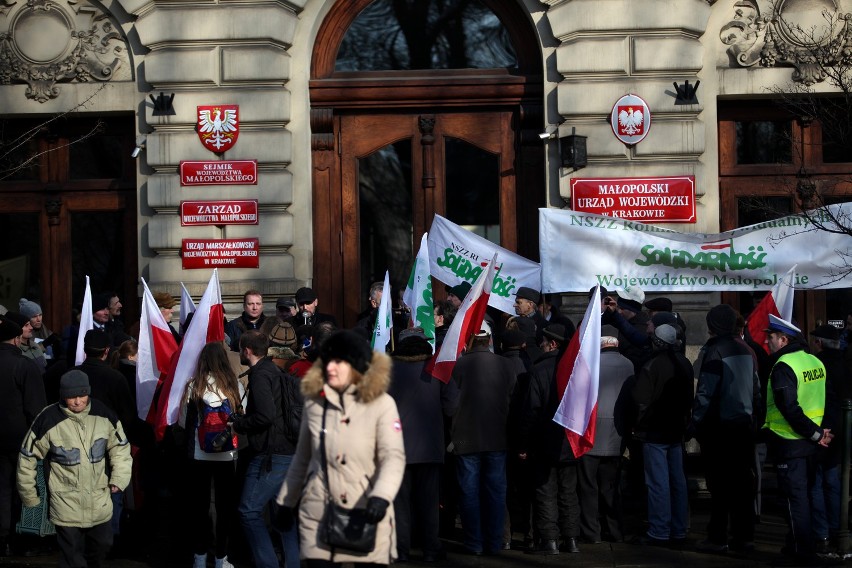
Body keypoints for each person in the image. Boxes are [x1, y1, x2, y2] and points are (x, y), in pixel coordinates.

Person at [276, 329, 405, 567]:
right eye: (327, 361)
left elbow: (393, 458)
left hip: (366, 513)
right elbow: (302, 458)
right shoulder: (315, 403)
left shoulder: (383, 404)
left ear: (356, 366)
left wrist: (381, 497)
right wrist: (286, 502)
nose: (330, 368)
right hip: (318, 515)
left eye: (338, 362)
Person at [17, 370, 132, 568]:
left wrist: (119, 478)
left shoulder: (103, 414)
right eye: (72, 397)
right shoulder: (48, 418)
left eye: (82, 395)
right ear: (63, 395)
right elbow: (27, 456)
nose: (77, 402)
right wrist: (29, 495)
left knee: (103, 546)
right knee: (72, 558)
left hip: (99, 501)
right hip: (65, 503)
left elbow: (120, 447)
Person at [691, 304, 760, 553]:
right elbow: (756, 389)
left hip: (719, 428)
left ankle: (718, 537)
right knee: (743, 485)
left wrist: (695, 423)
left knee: (719, 487)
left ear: (713, 326)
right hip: (743, 425)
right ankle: (744, 536)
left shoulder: (715, 350)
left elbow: (706, 392)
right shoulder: (746, 349)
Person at [762, 314, 832, 561]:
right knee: (806, 496)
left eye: (770, 337)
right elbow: (821, 400)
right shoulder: (814, 361)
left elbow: (789, 407)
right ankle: (797, 545)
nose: (766, 342)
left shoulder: (783, 366)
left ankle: (802, 552)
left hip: (790, 440)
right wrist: (819, 433)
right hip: (811, 443)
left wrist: (814, 433)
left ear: (783, 339)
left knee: (794, 500)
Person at [230, 330, 301, 568]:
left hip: (271, 455)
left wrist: (239, 423)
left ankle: (268, 564)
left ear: (247, 351)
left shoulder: (261, 375)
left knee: (248, 511)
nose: (240, 352)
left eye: (240, 348)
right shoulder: (275, 370)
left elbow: (266, 415)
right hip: (287, 452)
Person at [388, 327, 458, 562]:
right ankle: (430, 549)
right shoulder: (436, 368)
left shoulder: (387, 369)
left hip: (396, 448)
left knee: (401, 503)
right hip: (429, 446)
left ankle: (401, 550)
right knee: (429, 502)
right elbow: (451, 406)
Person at [451, 327, 517, 555]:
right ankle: (494, 542)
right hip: (496, 436)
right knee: (496, 493)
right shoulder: (505, 365)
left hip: (466, 439)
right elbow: (512, 397)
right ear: (489, 339)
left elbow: (449, 405)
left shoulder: (458, 365)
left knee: (469, 493)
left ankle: (474, 543)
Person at [519, 323, 581, 555]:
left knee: (546, 492)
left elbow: (531, 411)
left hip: (544, 442)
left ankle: (550, 541)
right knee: (568, 493)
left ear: (552, 344)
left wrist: (523, 443)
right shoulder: (576, 368)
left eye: (543, 342)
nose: (541, 346)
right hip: (569, 441)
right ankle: (571, 539)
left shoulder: (539, 370)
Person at [183, 342, 244, 568]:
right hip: (227, 455)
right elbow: (241, 419)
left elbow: (184, 422)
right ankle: (221, 557)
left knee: (200, 508)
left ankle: (199, 556)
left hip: (200, 456)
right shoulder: (233, 386)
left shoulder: (193, 387)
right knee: (224, 507)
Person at [631, 324, 693, 546]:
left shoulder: (652, 365)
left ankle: (659, 530)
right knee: (677, 481)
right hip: (676, 431)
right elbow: (689, 398)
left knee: (658, 483)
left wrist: (638, 425)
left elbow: (641, 401)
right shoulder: (684, 364)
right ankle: (679, 529)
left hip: (655, 431)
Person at [577, 326, 633, 545]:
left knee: (588, 486)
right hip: (616, 434)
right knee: (611, 486)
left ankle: (591, 532)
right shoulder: (628, 364)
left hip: (590, 434)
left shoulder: (590, 363)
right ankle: (615, 529)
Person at [0, 317, 46, 556]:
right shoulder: (23, 365)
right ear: (17, 339)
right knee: (21, 488)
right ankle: (17, 539)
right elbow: (36, 408)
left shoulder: (21, 365)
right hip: (19, 438)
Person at [808, 324, 844, 554]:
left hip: (823, 431)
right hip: (841, 430)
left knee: (817, 482)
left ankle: (821, 530)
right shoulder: (846, 363)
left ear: (819, 343)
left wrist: (822, 432)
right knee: (833, 481)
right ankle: (836, 528)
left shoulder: (818, 364)